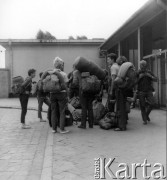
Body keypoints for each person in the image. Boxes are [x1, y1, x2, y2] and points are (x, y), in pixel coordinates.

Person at [49, 57, 69, 133]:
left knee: (53, 111)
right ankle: (62, 129)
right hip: (61, 93)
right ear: (61, 65)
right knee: (62, 111)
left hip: (52, 94)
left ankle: (54, 129)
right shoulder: (63, 74)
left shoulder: (50, 73)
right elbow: (66, 85)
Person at [137, 60, 157, 125]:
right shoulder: (138, 72)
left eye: (144, 65)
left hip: (149, 90)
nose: (142, 67)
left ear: (146, 65)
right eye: (141, 65)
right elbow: (134, 81)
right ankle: (144, 120)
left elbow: (156, 79)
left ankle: (146, 115)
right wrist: (139, 77)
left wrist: (150, 76)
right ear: (140, 66)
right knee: (142, 106)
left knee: (152, 103)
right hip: (141, 91)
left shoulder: (149, 72)